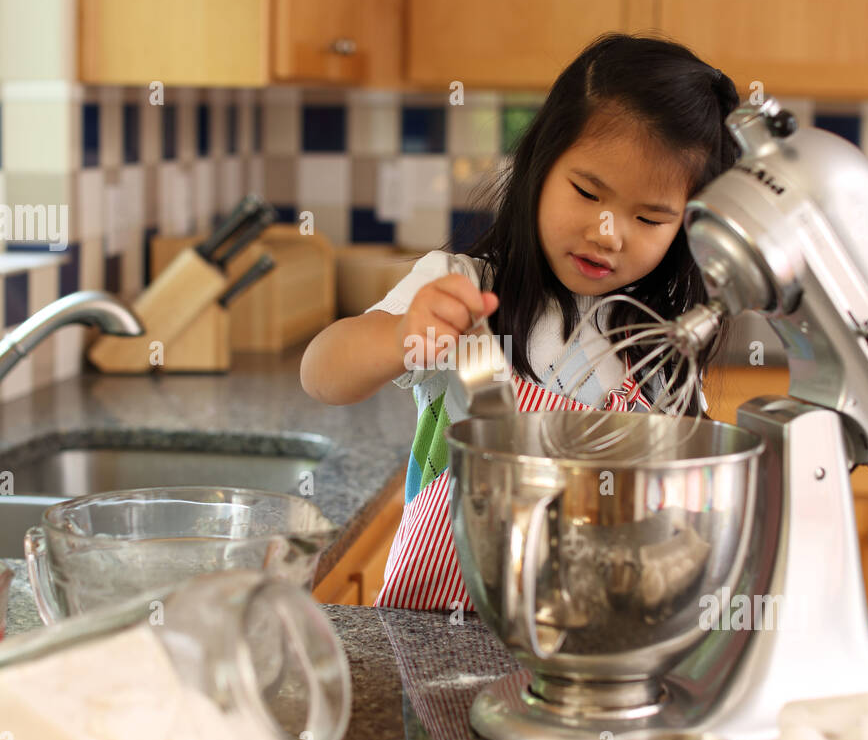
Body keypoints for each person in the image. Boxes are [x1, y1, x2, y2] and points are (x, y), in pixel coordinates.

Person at [301, 32, 741, 611]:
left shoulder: (660, 348)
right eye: (587, 192)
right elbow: (322, 374)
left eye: (649, 217)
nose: (608, 233)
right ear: (538, 163)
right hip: (439, 631)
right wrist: (402, 334)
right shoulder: (461, 288)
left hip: (590, 641)